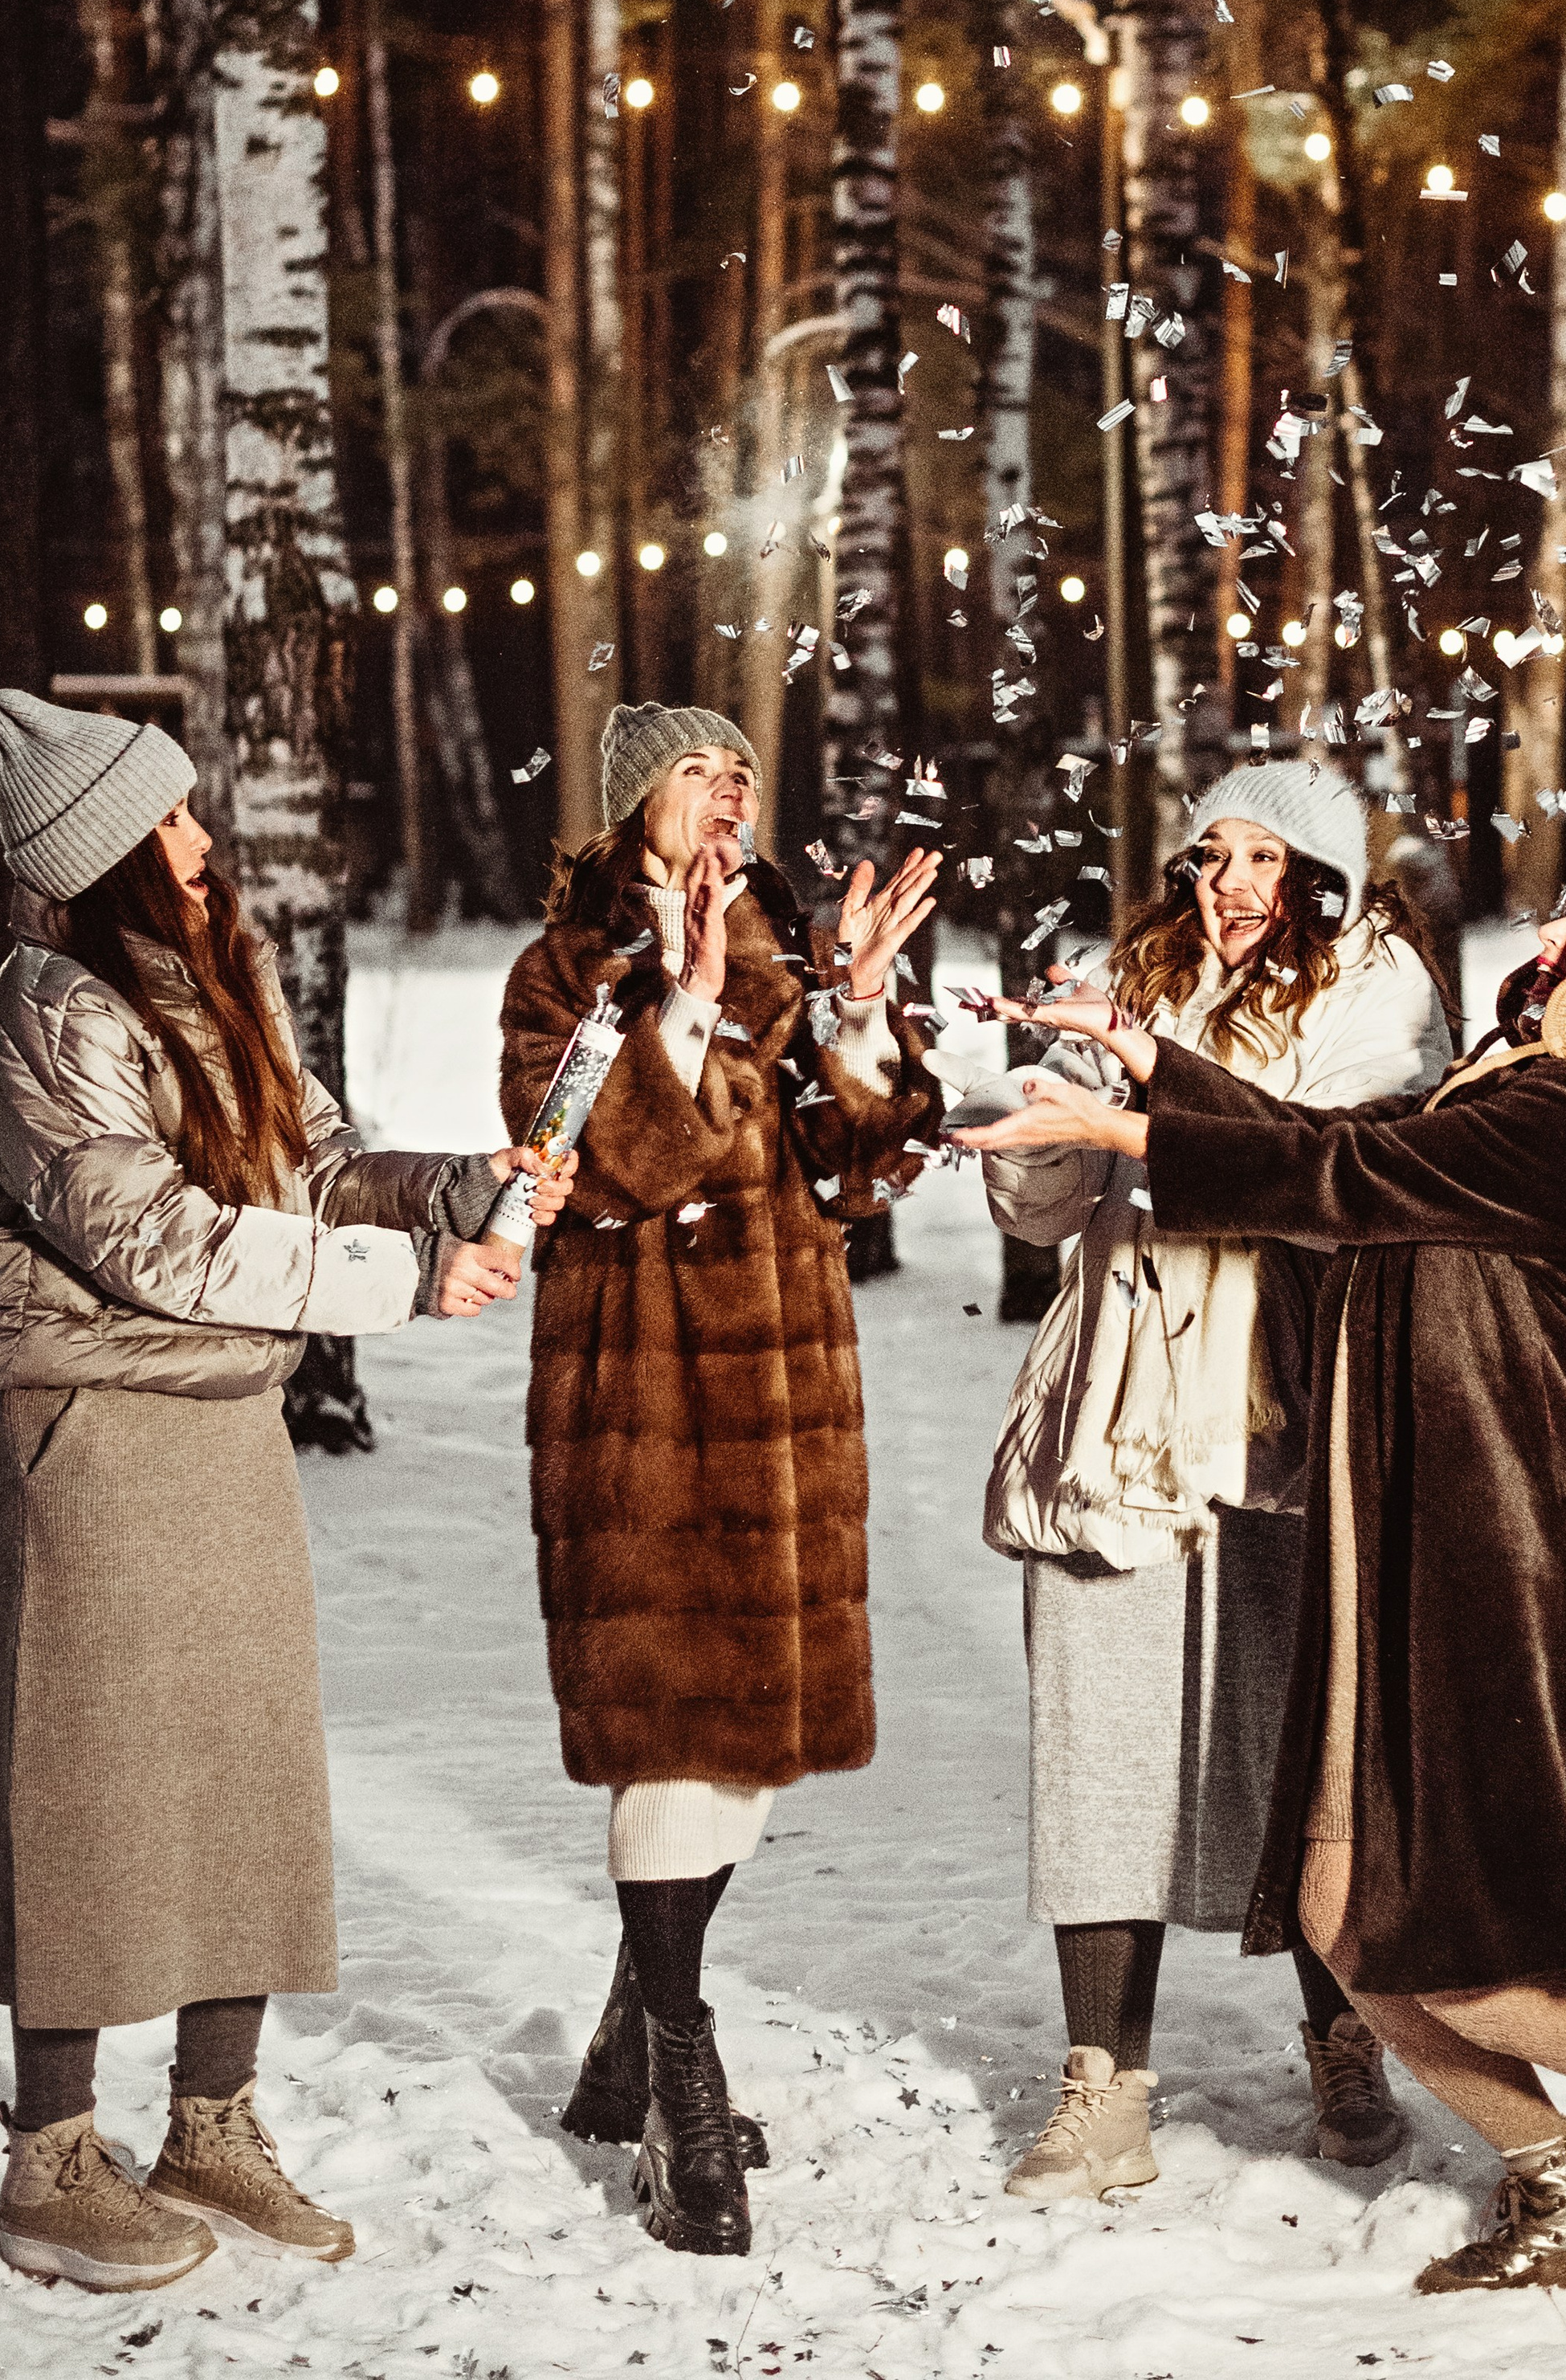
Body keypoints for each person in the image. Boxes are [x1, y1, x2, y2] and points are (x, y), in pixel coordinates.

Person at [963, 843, 1566, 2305]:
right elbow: (1338, 1140)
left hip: (1542, 1557)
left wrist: (1137, 1121)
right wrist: (1153, 1061)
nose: (1550, 928)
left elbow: (1344, 1168)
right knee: (1344, 1915)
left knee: (1476, 1943)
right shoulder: (1514, 1085)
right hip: (1430, 1539)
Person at [0, 689, 572, 2296]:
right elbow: (149, 1239)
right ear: (107, 854)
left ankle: (209, 2120)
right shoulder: (42, 1018)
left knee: (242, 1765)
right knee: (80, 1775)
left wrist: (457, 1190)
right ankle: (51, 2154)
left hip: (218, 1407)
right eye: (172, 821)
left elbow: (307, 1171)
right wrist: (404, 1279)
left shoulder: (209, 993)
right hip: (81, 1416)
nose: (202, 840)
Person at [960, 765, 1452, 2198]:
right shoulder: (1145, 979)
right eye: (1209, 856)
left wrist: (1146, 1096)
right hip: (1120, 1410)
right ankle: (1104, 2086)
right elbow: (1057, 1206)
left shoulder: (1383, 992)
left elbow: (1332, 1165)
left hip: (1291, 1412)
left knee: (1298, 1752)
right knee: (1100, 1743)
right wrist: (1044, 1122)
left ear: (1328, 878)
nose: (1226, 884)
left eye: (1261, 857)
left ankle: (1345, 2039)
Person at [500, 701, 944, 2259]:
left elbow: (862, 1169)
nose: (731, 786)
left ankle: (630, 2032)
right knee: (671, 1735)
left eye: (743, 766)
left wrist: (863, 1017)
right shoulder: (566, 968)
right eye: (699, 768)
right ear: (634, 812)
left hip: (790, 1401)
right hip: (647, 1399)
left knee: (747, 1742)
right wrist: (675, 1014)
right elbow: (589, 1159)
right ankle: (684, 2084)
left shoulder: (785, 961)